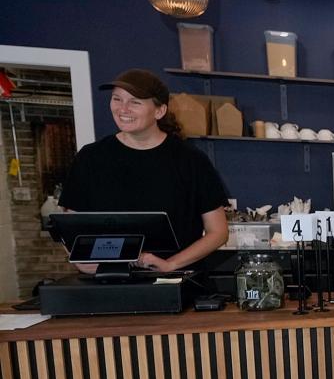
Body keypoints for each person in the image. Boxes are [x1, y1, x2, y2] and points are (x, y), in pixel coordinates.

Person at [59, 69, 229, 272]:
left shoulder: (191, 160)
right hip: (106, 286)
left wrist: (170, 264)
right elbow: (70, 227)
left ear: (159, 111)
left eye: (135, 102)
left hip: (175, 285)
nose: (123, 109)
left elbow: (218, 232)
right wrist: (87, 263)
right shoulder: (90, 158)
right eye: (117, 99)